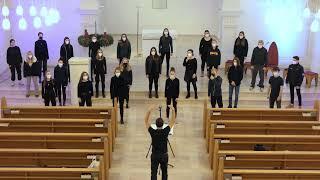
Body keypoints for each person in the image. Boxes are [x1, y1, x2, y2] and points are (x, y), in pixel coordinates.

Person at [145, 105, 176, 180]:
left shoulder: (153, 131)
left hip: (155, 155)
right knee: (165, 173)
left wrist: (149, 111)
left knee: (153, 173)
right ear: (163, 124)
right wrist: (173, 110)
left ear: (155, 124)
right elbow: (172, 121)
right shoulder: (166, 131)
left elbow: (146, 121)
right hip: (164, 155)